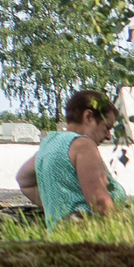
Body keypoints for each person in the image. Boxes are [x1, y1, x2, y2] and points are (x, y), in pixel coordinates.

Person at [17, 87, 124, 224]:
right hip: (91, 239)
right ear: (88, 117)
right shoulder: (83, 145)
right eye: (107, 127)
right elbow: (101, 204)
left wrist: (59, 208)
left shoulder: (50, 144)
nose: (109, 136)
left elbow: (24, 180)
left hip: (61, 239)